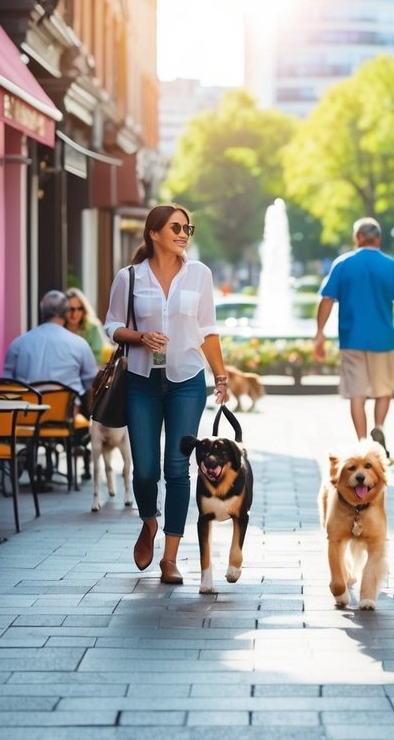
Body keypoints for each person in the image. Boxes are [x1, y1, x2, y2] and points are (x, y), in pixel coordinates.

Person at [102, 204, 229, 583]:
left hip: (187, 381)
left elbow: (208, 329)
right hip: (141, 380)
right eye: (175, 227)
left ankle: (170, 558)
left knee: (177, 468)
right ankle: (148, 521)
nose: (183, 233)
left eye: (188, 227)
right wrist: (139, 337)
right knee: (144, 470)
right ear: (153, 232)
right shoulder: (129, 277)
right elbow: (111, 325)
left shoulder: (199, 275)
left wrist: (220, 376)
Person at [313, 217, 394, 453]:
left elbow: (326, 300)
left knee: (357, 394)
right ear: (378, 238)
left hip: (352, 340)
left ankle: (362, 444)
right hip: (384, 339)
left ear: (357, 238)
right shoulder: (391, 266)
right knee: (384, 390)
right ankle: (378, 427)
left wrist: (319, 334)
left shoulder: (343, 263)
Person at [3, 290, 99, 395]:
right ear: (66, 312)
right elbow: (91, 383)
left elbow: (7, 383)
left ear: (42, 311)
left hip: (28, 408)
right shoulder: (80, 344)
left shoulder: (18, 344)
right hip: (67, 409)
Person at [65, 287, 106, 364]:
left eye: (79, 308)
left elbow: (98, 358)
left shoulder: (93, 328)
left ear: (84, 310)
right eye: (71, 309)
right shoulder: (58, 328)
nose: (75, 313)